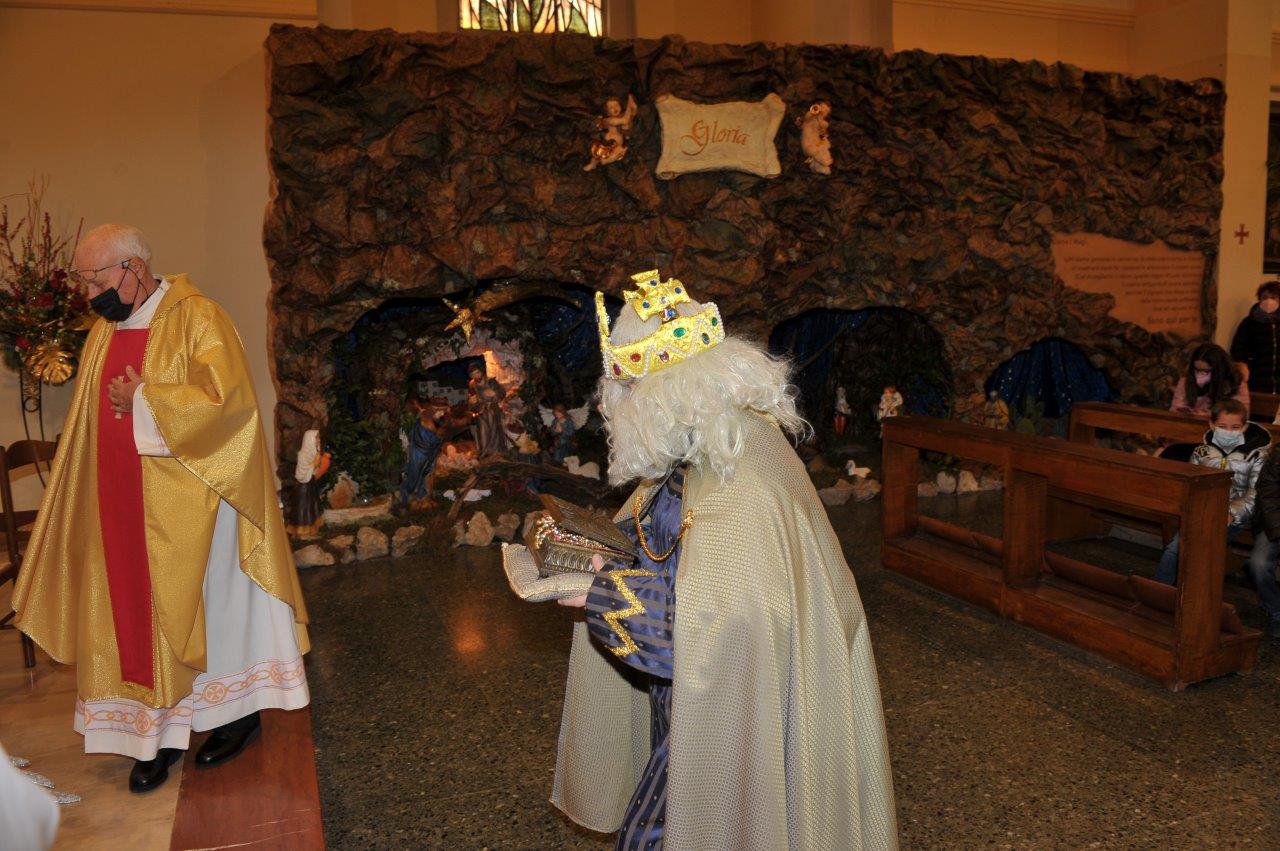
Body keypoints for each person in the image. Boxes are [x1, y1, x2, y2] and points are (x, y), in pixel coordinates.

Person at [552, 270, 896, 850]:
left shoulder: (740, 485)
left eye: (627, 391)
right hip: (702, 701)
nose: (617, 410)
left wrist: (603, 594)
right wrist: (600, 552)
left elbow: (715, 628)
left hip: (731, 712)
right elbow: (668, 548)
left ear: (662, 392)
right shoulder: (707, 447)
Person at [12, 224, 310, 793]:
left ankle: (236, 715)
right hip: (121, 502)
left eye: (96, 279)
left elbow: (228, 406)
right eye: (83, 281)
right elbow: (88, 425)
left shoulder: (199, 317)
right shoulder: (102, 335)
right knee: (131, 612)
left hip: (197, 504)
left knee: (214, 609)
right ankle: (157, 734)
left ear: (134, 268)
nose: (89, 293)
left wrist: (145, 399)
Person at [1154, 400, 1269, 586]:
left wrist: (1231, 513)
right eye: (1222, 426)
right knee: (1176, 548)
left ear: (1244, 427)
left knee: (1199, 547)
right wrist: (1193, 507)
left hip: (1237, 515)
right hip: (1203, 510)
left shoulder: (1257, 456)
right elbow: (1192, 484)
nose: (1229, 432)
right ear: (1212, 425)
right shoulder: (1202, 452)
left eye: (1235, 427)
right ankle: (1159, 591)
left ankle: (1194, 592)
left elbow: (1254, 494)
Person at [1245, 445, 1280, 638]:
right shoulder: (1277, 457)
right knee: (1258, 564)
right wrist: (1277, 531)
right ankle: (1275, 610)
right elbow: (1268, 496)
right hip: (1275, 522)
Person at [1170, 342, 1249, 418]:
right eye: (1197, 370)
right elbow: (1174, 410)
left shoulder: (1236, 384)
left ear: (1219, 370)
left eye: (1206, 371)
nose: (1199, 375)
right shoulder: (1186, 381)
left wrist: (1209, 416)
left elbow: (1241, 416)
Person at [1229, 281, 1280, 395]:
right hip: (1256, 381)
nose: (1269, 301)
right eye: (1264, 297)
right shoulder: (1249, 323)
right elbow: (1238, 349)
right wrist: (1244, 365)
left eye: (1273, 297)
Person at [394, 398, 444, 512]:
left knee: (426, 473)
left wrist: (437, 437)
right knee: (416, 473)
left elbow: (433, 435)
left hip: (426, 452)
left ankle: (425, 497)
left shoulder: (425, 417)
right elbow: (424, 436)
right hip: (419, 452)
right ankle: (412, 496)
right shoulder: (417, 419)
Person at [287, 428, 329, 537]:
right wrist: (314, 464)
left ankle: (312, 529)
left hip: (310, 485)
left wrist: (318, 464)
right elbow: (301, 474)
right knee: (303, 509)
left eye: (318, 437)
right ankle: (302, 531)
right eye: (317, 438)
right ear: (310, 440)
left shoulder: (314, 453)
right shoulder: (302, 455)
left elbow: (315, 472)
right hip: (303, 487)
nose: (319, 440)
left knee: (311, 507)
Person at [467, 363, 511, 457]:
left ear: (481, 372)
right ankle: (485, 453)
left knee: (494, 431)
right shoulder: (472, 384)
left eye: (477, 372)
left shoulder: (491, 382)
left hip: (493, 410)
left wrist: (494, 393)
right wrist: (472, 402)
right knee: (483, 433)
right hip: (482, 412)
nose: (476, 376)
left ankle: (496, 453)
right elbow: (472, 401)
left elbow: (502, 393)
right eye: (473, 374)